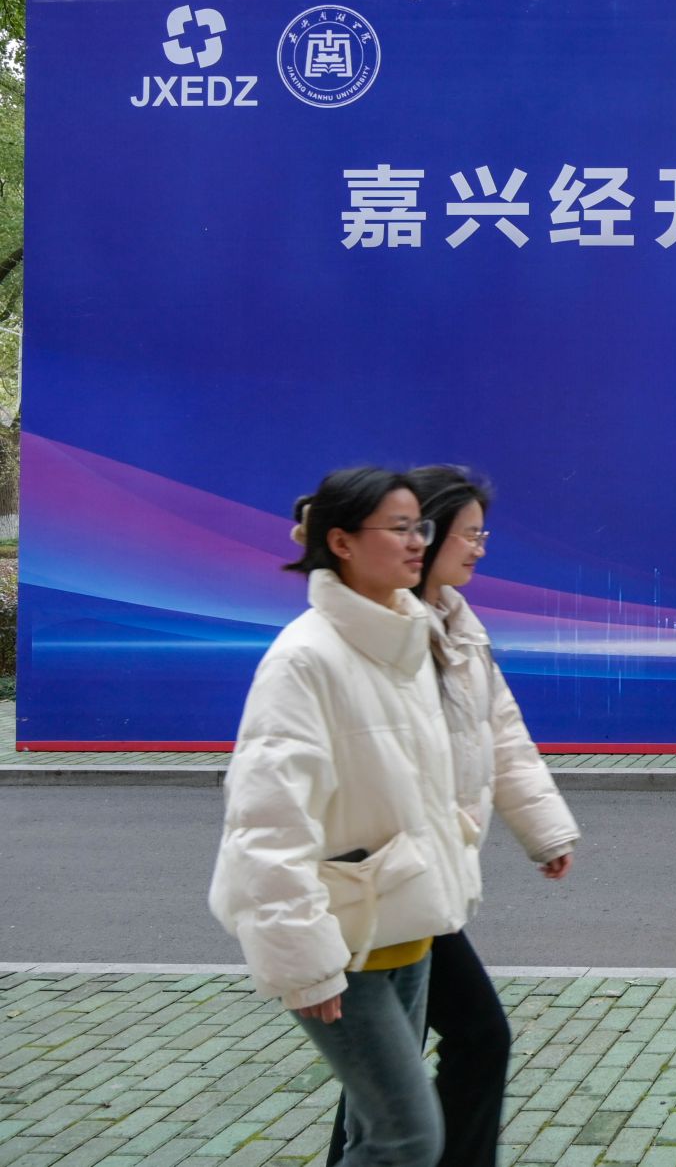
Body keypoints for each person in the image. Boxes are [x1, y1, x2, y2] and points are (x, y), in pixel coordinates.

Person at [209, 468, 478, 1167]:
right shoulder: (304, 659)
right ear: (341, 541)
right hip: (340, 945)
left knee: (378, 1137)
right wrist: (306, 965)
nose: (418, 542)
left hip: (405, 931)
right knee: (406, 1139)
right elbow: (266, 825)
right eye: (399, 528)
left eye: (421, 526)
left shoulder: (405, 642)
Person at [325, 464, 581, 1167]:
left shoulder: (458, 626)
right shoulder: (379, 632)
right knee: (473, 1040)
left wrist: (545, 831)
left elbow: (501, 734)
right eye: (467, 534)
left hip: (426, 876)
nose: (478, 548)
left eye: (480, 535)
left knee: (390, 1074)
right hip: (384, 876)